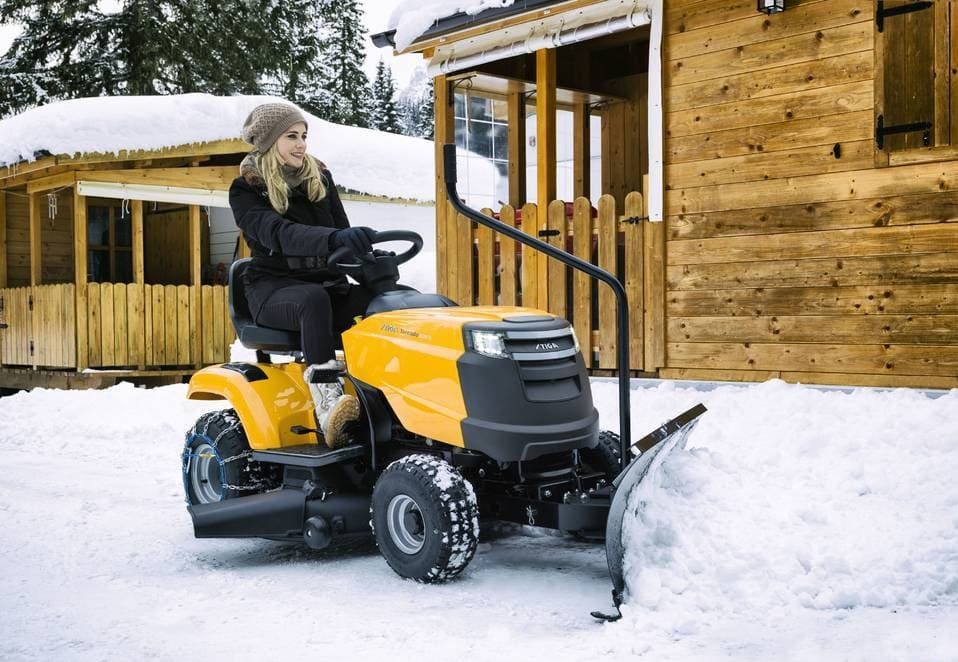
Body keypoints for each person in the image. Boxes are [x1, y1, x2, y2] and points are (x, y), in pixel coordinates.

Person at [229, 102, 377, 448]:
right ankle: (328, 406)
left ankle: (390, 393)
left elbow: (343, 232)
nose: (301, 144)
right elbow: (278, 234)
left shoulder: (320, 178)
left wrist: (371, 261)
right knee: (313, 300)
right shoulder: (246, 189)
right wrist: (333, 239)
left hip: (328, 287)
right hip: (273, 291)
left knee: (386, 300)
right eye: (291, 136)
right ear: (267, 142)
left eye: (304, 136)